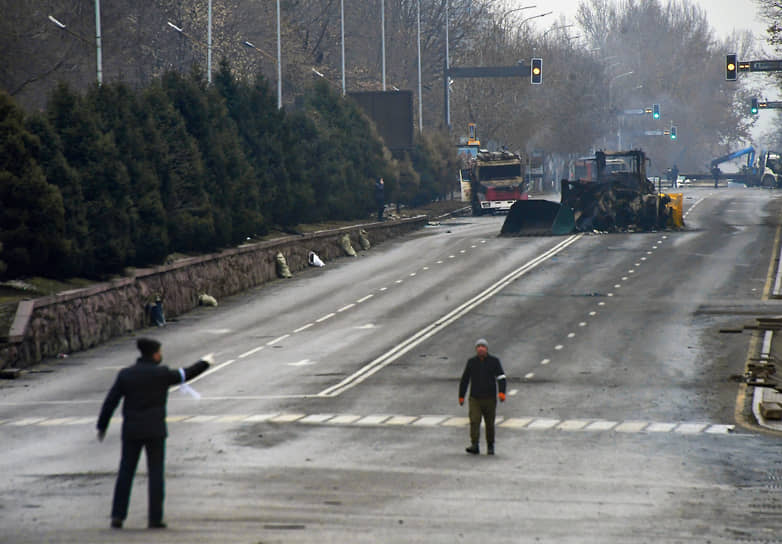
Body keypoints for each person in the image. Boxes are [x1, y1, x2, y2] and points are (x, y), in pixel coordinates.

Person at [97, 338, 212, 529]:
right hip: (155, 431)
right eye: (160, 351)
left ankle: (118, 515)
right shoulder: (162, 373)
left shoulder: (126, 375)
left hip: (131, 431)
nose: (161, 354)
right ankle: (155, 518)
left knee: (126, 472)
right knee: (156, 474)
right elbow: (186, 374)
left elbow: (111, 401)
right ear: (154, 354)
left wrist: (102, 425)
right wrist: (205, 363)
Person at [458, 338, 507, 455]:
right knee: (474, 421)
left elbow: (501, 377)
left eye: (483, 346)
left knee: (489, 423)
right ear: (476, 349)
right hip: (475, 398)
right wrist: (461, 396)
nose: (480, 348)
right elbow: (465, 379)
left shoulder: (494, 361)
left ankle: (490, 445)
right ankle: (474, 445)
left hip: (490, 398)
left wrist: (502, 392)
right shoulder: (471, 362)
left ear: (486, 348)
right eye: (478, 346)